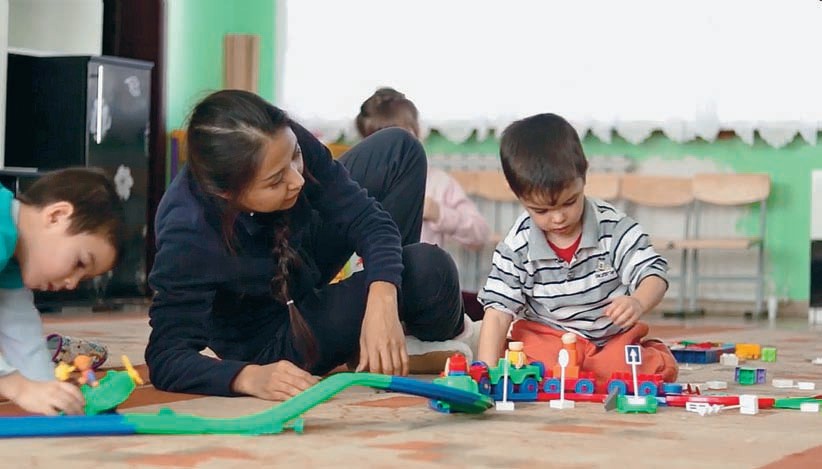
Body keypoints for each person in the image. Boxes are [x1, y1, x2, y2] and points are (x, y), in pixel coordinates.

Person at [145, 90, 469, 400]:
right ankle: (388, 328)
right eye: (276, 180)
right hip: (276, 336)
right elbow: (167, 356)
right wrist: (248, 377)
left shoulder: (281, 142)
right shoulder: (188, 231)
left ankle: (389, 332)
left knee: (399, 148)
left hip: (299, 256)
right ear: (227, 193)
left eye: (296, 157)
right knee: (429, 270)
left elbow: (368, 218)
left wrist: (383, 296)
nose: (297, 179)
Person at [476, 113, 678, 383]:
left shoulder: (613, 227)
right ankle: (580, 370)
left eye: (569, 202)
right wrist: (484, 373)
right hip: (550, 337)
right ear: (518, 195)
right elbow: (498, 312)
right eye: (541, 210)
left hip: (608, 340)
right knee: (526, 361)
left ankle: (635, 358)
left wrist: (638, 301)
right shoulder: (517, 245)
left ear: (583, 175)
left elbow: (653, 273)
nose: (558, 218)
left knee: (630, 367)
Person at [0, 168, 124, 415]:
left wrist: (51, 393)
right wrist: (16, 386)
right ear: (56, 216)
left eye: (83, 279)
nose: (72, 283)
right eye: (79, 263)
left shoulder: (13, 258)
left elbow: (21, 333)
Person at [356, 87, 489, 249]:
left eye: (401, 138)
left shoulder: (438, 183)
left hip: (421, 264)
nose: (392, 149)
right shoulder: (358, 184)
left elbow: (480, 234)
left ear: (416, 132)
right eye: (381, 141)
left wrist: (438, 212)